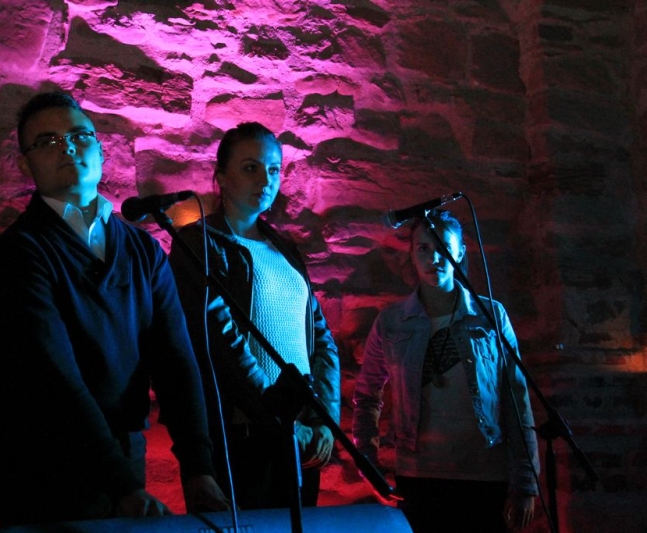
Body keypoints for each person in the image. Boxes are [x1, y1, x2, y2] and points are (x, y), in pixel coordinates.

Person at [0, 91, 229, 526]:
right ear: (25, 164)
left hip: (122, 451)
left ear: (100, 149)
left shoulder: (142, 250)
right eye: (48, 141)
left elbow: (174, 358)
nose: (67, 148)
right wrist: (123, 486)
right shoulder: (19, 252)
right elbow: (53, 376)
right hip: (42, 462)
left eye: (79, 136)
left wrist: (198, 468)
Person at [168, 122, 340, 510]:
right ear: (221, 177)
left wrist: (323, 419)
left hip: (300, 435)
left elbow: (320, 336)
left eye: (274, 169)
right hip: (244, 435)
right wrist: (280, 419)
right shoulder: (199, 244)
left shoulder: (284, 248)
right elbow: (224, 344)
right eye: (251, 168)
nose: (265, 180)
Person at [352, 209, 540, 532]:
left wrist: (525, 481)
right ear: (412, 254)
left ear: (459, 252)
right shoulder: (392, 322)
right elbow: (367, 395)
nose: (434, 258)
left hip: (484, 474)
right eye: (423, 248)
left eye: (442, 247)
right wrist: (368, 463)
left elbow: (517, 399)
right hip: (419, 476)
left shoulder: (490, 315)